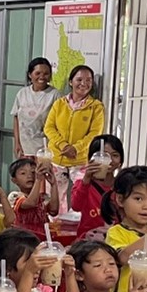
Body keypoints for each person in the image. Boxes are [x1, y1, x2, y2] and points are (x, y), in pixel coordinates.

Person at [43, 65, 105, 206]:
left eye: (88, 80)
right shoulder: (59, 104)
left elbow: (95, 133)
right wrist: (64, 145)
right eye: (79, 79)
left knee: (83, 197)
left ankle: (82, 227)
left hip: (81, 160)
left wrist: (76, 148)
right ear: (71, 82)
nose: (84, 83)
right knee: (55, 200)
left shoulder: (96, 107)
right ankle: (55, 226)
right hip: (57, 158)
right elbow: (49, 127)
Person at [69, 134, 124, 239]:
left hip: (117, 240)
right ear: (91, 159)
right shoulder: (83, 184)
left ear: (120, 162)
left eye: (115, 155)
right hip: (88, 241)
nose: (110, 160)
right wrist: (86, 179)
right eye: (103, 155)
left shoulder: (124, 186)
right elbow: (76, 206)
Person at [9, 58, 62, 159]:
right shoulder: (22, 93)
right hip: (24, 148)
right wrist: (16, 143)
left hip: (45, 150)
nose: (42, 77)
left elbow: (59, 124)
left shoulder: (55, 95)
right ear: (30, 75)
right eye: (37, 73)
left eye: (46, 73)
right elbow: (16, 118)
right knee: (24, 173)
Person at [8, 156, 60, 237]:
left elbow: (54, 211)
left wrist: (53, 184)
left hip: (43, 238)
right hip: (24, 239)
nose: (29, 176)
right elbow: (31, 203)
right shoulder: (15, 196)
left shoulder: (41, 197)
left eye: (33, 172)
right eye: (23, 173)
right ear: (14, 180)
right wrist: (38, 180)